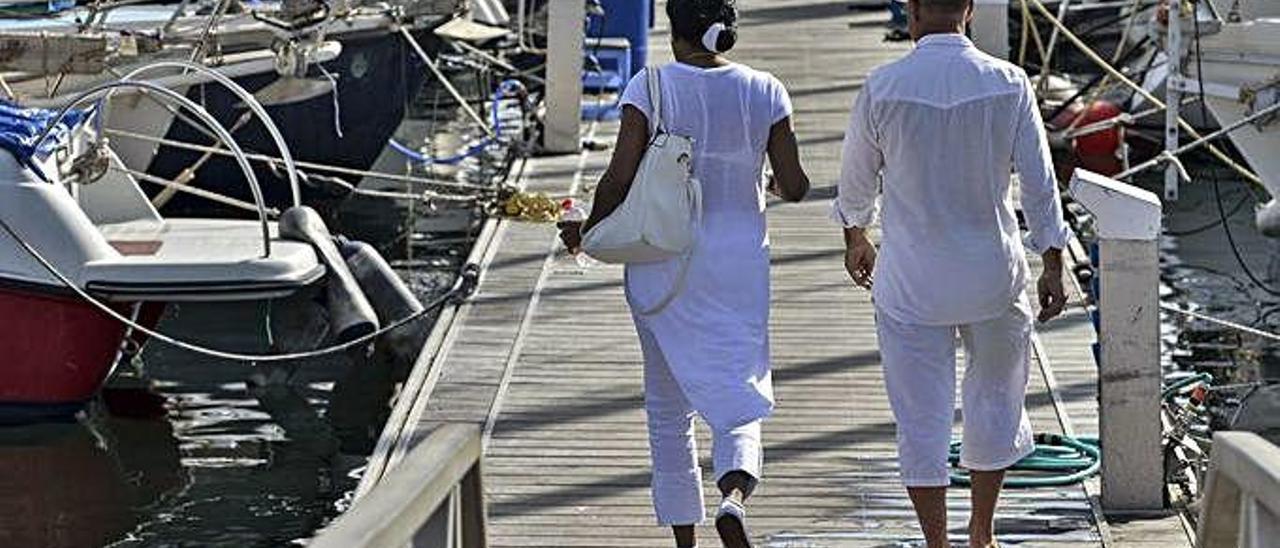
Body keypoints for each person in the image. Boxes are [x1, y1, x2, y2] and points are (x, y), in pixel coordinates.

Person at [558, 1, 810, 545]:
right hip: (739, 266)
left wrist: (588, 234)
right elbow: (794, 186)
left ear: (673, 32)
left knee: (667, 408)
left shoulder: (651, 86)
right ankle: (733, 499)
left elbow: (617, 178)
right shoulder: (767, 90)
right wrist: (758, 179)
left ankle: (684, 542)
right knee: (739, 388)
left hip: (662, 264)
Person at [832, 0, 1070, 546]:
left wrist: (856, 236)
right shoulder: (1009, 82)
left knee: (920, 416)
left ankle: (936, 542)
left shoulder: (883, 86)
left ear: (912, 11)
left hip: (912, 279)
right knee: (996, 403)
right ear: (968, 10)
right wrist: (1052, 261)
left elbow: (856, 183)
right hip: (992, 274)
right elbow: (1039, 183)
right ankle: (980, 532)